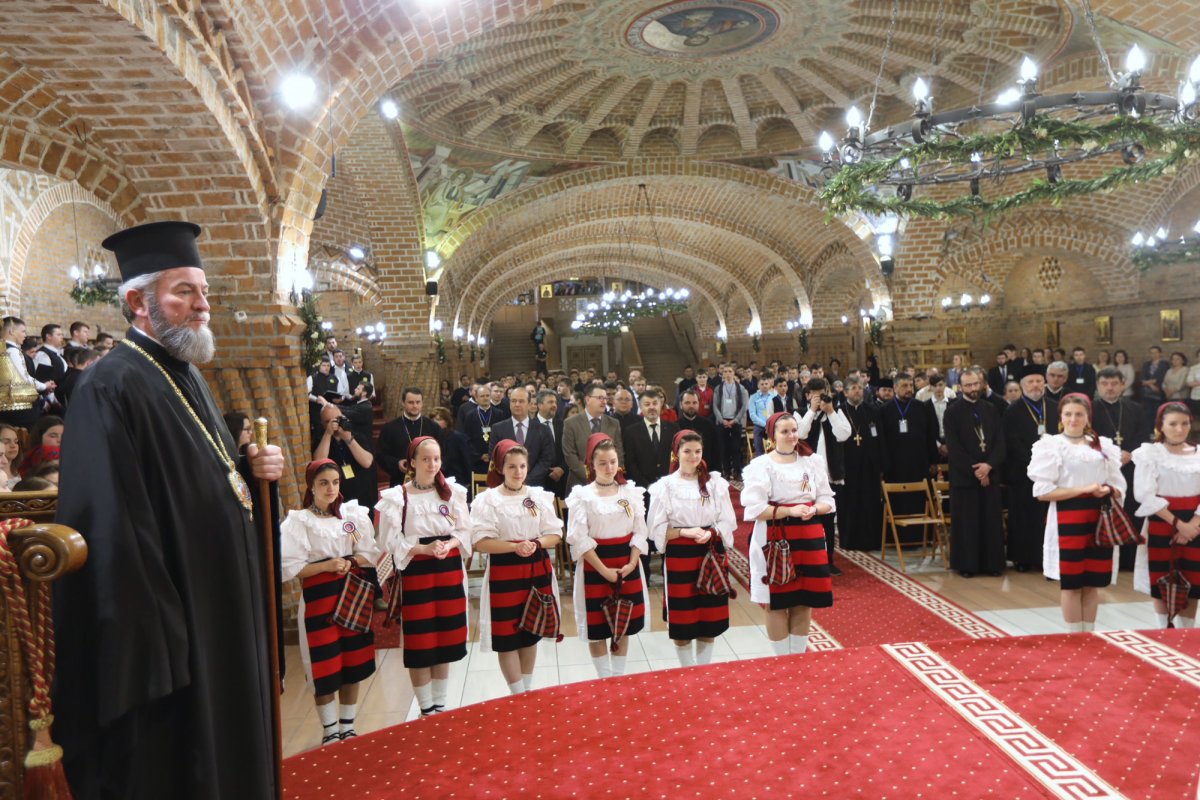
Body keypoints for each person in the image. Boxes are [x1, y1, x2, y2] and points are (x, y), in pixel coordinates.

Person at [53, 220, 284, 798]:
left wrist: (256, 473)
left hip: (219, 601)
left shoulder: (186, 375)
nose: (202, 306)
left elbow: (211, 476)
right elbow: (111, 523)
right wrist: (163, 642)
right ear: (137, 300)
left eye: (204, 292)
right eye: (185, 291)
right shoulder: (109, 386)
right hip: (176, 620)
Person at [280, 460, 379, 744]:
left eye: (335, 482)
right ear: (312, 486)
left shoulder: (350, 517)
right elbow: (292, 569)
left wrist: (348, 561)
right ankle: (330, 730)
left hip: (350, 597)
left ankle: (348, 725)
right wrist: (325, 567)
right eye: (324, 483)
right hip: (319, 602)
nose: (331, 488)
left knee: (353, 662)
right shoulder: (299, 522)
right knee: (325, 666)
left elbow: (368, 553)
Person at [376, 436, 471, 715]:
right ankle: (425, 707)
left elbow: (465, 531)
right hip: (417, 573)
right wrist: (422, 548)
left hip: (448, 570)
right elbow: (389, 542)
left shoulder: (452, 492)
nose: (432, 464)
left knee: (447, 639)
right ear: (413, 462)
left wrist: (449, 544)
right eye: (426, 459)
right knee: (421, 643)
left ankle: (440, 704)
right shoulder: (398, 497)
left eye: (437, 458)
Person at [471, 440, 563, 694]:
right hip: (505, 569)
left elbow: (555, 533)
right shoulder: (488, 499)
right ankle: (516, 692)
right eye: (512, 466)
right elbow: (480, 542)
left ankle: (528, 689)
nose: (518, 472)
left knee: (530, 630)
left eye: (522, 466)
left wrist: (534, 543)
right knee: (508, 636)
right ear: (501, 468)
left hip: (535, 567)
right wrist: (514, 547)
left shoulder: (537, 496)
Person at [1029, 394, 1126, 632]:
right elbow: (1042, 491)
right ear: (1061, 417)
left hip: (1098, 518)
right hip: (1067, 518)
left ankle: (1089, 636)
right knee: (1071, 584)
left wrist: (1108, 489)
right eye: (1069, 414)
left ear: (1088, 417)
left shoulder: (1102, 445)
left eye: (1079, 414)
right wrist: (1084, 489)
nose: (1074, 419)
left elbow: (1119, 485)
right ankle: (1075, 640)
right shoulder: (1051, 445)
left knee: (1092, 583)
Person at [742, 412, 833, 655]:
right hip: (775, 536)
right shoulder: (761, 466)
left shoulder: (811, 461)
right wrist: (789, 511)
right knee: (777, 602)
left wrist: (813, 508)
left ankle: (798, 658)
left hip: (809, 534)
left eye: (794, 430)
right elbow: (754, 509)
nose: (792, 436)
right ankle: (783, 660)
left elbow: (828, 500)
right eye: (785, 431)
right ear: (772, 436)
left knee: (804, 599)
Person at [647, 430, 736, 667]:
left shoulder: (715, 483)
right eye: (687, 451)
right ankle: (687, 670)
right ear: (676, 453)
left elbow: (728, 521)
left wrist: (711, 532)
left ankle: (703, 669)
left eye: (698, 451)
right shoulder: (665, 486)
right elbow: (655, 529)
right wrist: (683, 532)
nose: (693, 456)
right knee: (683, 619)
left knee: (709, 617)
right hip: (680, 556)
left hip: (710, 552)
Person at [566, 433, 649, 678]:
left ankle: (618, 676)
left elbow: (640, 529)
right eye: (602, 463)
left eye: (613, 461)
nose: (609, 468)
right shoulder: (582, 495)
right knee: (598, 625)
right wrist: (603, 570)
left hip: (626, 562)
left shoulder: (629, 492)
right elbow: (578, 537)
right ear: (591, 465)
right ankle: (604, 679)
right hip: (596, 564)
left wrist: (633, 562)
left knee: (623, 620)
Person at [1131, 402, 1200, 628]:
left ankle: (1187, 632)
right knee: (1162, 577)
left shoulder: (1198, 453)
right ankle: (1164, 630)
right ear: (1161, 426)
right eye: (1172, 424)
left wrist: (1193, 525)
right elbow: (1144, 494)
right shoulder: (1150, 454)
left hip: (1195, 523)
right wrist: (1179, 524)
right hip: (1163, 521)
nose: (1179, 429)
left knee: (1193, 578)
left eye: (1184, 424)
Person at [943, 368, 1006, 577]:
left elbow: (1000, 442)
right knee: (967, 523)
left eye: (975, 384)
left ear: (981, 384)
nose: (972, 389)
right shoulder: (952, 411)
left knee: (990, 522)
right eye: (968, 385)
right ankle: (967, 565)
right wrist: (978, 471)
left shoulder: (991, 409)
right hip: (965, 478)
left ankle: (992, 564)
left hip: (990, 474)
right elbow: (954, 448)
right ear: (960, 387)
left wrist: (989, 466)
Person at [1002, 365, 1058, 572]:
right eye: (1030, 382)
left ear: (1044, 382)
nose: (1035, 386)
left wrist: (1050, 464)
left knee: (1047, 517)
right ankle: (1023, 558)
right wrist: (1036, 464)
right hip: (1023, 473)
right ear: (1022, 386)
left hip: (1052, 474)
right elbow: (1012, 442)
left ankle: (1048, 558)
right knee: (1024, 516)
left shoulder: (1054, 407)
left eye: (1038, 381)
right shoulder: (1012, 411)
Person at [797, 377, 850, 574]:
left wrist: (831, 412)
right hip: (806, 478)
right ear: (808, 395)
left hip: (831, 475)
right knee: (807, 520)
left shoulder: (835, 412)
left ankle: (828, 560)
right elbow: (800, 434)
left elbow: (844, 434)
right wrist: (812, 410)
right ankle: (808, 560)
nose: (821, 399)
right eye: (816, 395)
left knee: (829, 521)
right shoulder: (800, 413)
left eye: (823, 394)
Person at [880, 373, 938, 519]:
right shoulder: (884, 410)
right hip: (894, 467)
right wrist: (884, 465)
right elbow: (882, 441)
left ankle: (923, 538)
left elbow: (931, 435)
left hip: (919, 464)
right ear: (895, 388)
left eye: (910, 385)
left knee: (920, 500)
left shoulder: (923, 408)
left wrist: (933, 461)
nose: (909, 389)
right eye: (904, 386)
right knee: (898, 502)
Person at [312, 388, 377, 514]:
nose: (334, 423)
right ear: (323, 424)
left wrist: (348, 439)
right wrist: (328, 434)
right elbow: (318, 462)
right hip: (337, 499)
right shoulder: (322, 440)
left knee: (362, 532)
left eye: (337, 419)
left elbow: (367, 462)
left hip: (362, 497)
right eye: (328, 421)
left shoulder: (357, 436)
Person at [838, 376, 884, 551]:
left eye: (860, 388)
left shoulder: (872, 410)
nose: (858, 391)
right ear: (846, 391)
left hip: (869, 466)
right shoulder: (839, 411)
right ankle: (849, 540)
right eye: (854, 388)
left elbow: (881, 439)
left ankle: (871, 540)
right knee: (849, 503)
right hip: (848, 466)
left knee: (870, 502)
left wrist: (881, 465)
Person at [562, 384, 624, 491]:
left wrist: (609, 474)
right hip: (579, 484)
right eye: (600, 398)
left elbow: (619, 452)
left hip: (608, 483)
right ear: (588, 399)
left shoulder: (614, 423)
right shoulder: (571, 423)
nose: (604, 401)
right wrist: (591, 475)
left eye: (605, 398)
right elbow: (570, 455)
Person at [490, 386, 554, 489]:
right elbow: (494, 457)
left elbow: (546, 459)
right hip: (506, 486)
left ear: (529, 404)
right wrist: (512, 478)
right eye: (513, 401)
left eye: (521, 401)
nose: (517, 404)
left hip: (535, 487)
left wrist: (526, 479)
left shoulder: (543, 429)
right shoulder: (498, 428)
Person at [378, 387, 441, 487]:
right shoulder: (390, 428)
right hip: (400, 481)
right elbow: (381, 455)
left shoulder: (433, 427)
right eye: (411, 402)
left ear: (422, 403)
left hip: (429, 481)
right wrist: (397, 464)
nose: (415, 406)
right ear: (403, 403)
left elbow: (443, 453)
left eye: (418, 402)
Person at [712, 365, 749, 483]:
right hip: (722, 421)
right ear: (722, 374)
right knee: (724, 448)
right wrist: (721, 420)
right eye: (725, 371)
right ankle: (726, 471)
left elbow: (744, 406)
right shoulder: (718, 388)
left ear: (734, 373)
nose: (727, 373)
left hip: (735, 421)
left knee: (736, 448)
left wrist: (736, 419)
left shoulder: (741, 388)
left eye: (730, 371)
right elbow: (715, 405)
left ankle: (737, 472)